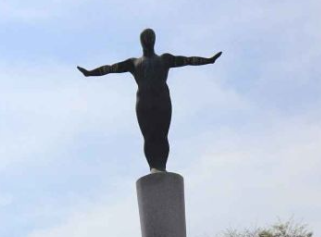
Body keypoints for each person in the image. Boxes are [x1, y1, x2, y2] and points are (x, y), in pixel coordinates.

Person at [78, 28, 221, 172]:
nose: (148, 40)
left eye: (151, 37)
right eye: (146, 38)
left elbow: (188, 60)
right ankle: (153, 166)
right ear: (141, 42)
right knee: (149, 136)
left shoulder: (165, 59)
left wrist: (209, 60)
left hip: (162, 100)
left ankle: (162, 167)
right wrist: (90, 73)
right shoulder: (133, 63)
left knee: (162, 135)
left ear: (154, 40)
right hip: (144, 102)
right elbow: (109, 68)